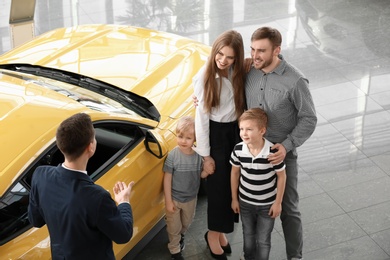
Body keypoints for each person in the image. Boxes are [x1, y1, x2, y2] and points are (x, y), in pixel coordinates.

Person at [246, 27, 317, 260]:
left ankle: (295, 257)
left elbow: (309, 118)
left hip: (281, 154)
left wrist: (286, 146)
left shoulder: (295, 81)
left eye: (262, 51)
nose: (255, 55)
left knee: (289, 209)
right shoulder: (250, 70)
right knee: (253, 207)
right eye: (253, 49)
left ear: (277, 50)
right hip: (252, 153)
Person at [28, 113, 134, 260]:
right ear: (90, 147)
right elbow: (123, 235)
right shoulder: (98, 197)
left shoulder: (40, 175)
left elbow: (36, 220)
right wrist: (124, 202)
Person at [193, 30, 246, 260]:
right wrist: (206, 156)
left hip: (235, 132)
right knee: (219, 189)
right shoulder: (205, 77)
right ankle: (213, 234)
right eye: (220, 54)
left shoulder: (238, 71)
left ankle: (222, 230)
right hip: (216, 135)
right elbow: (201, 120)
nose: (223, 60)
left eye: (230, 57)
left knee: (234, 185)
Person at [230, 108, 286, 260]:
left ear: (262, 131)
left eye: (249, 129)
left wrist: (278, 203)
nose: (244, 133)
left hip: (267, 205)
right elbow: (235, 173)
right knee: (248, 236)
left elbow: (282, 176)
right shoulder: (238, 150)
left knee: (263, 240)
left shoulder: (272, 151)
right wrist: (235, 199)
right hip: (245, 203)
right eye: (241, 129)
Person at [163, 116, 208, 260]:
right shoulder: (173, 156)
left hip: (190, 198)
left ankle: (179, 235)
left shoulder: (197, 156)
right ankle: (174, 249)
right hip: (175, 199)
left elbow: (200, 174)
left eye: (188, 138)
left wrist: (206, 172)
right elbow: (167, 178)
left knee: (186, 223)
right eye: (180, 136)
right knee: (174, 226)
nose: (183, 140)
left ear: (195, 139)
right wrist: (168, 201)